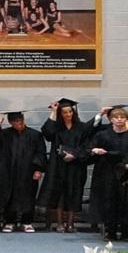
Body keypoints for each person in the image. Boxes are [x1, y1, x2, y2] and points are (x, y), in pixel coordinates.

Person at [39, 98, 91, 233]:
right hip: (58, 165)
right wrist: (54, 112)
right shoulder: (56, 127)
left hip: (76, 165)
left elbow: (86, 146)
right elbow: (47, 133)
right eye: (64, 112)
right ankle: (60, 223)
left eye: (70, 112)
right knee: (60, 194)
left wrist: (75, 155)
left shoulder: (82, 127)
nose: (68, 115)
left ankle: (71, 223)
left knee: (74, 193)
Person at [88, 106, 128, 241]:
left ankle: (125, 231)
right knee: (108, 201)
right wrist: (94, 151)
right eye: (116, 117)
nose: (119, 120)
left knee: (125, 201)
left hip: (126, 171)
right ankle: (110, 231)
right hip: (106, 172)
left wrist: (109, 153)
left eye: (122, 117)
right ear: (111, 120)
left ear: (126, 119)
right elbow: (90, 149)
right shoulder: (102, 135)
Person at [0, 110, 47, 233]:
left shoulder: (35, 135)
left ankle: (27, 222)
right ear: (10, 123)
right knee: (9, 196)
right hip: (9, 171)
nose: (19, 124)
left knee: (28, 196)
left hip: (28, 171)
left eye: (20, 121)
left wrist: (38, 169)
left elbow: (40, 153)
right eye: (15, 122)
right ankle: (9, 222)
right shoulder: (5, 134)